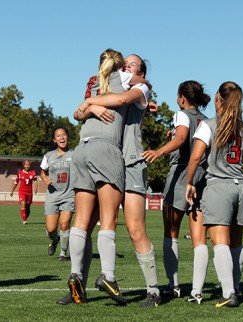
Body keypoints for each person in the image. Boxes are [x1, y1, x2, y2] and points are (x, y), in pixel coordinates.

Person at [70, 54, 160, 307]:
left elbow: (124, 97)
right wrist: (90, 106)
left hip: (130, 161)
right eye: (125, 63)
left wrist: (90, 102)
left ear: (140, 72)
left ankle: (153, 291)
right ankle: (78, 283)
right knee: (86, 226)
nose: (127, 66)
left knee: (134, 229)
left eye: (133, 64)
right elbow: (79, 112)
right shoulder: (111, 85)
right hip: (108, 157)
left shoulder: (138, 88)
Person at [185, 81, 243, 308]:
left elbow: (196, 158)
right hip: (242, 187)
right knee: (236, 243)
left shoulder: (209, 125)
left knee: (220, 242)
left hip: (219, 187)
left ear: (218, 98)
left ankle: (228, 294)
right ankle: (235, 288)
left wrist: (189, 182)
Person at [65, 48, 138, 306]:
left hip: (81, 149)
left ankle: (75, 275)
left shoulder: (92, 81)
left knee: (81, 220)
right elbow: (128, 96)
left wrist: (91, 105)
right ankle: (108, 275)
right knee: (108, 219)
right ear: (121, 65)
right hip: (106, 148)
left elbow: (76, 114)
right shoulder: (127, 77)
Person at [143, 80, 209, 299]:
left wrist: (160, 151)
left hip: (182, 174)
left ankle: (174, 286)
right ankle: (197, 290)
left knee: (171, 232)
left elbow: (182, 138)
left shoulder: (182, 114)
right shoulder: (206, 120)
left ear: (182, 97)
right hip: (203, 176)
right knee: (199, 238)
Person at [40, 127, 74, 261]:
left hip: (69, 195)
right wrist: (45, 178)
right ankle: (55, 240)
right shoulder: (49, 156)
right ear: (55, 140)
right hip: (53, 196)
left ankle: (63, 254)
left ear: (67, 137)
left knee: (64, 224)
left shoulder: (74, 154)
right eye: (58, 136)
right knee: (51, 229)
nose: (61, 138)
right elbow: (42, 171)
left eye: (64, 135)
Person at [10, 160, 38, 224]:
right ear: (23, 165)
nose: (27, 166)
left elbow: (35, 181)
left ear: (30, 165)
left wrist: (36, 188)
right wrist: (12, 191)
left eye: (28, 165)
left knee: (28, 207)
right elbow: (16, 182)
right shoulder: (20, 173)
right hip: (22, 192)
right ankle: (24, 220)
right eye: (26, 165)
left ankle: (25, 216)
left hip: (29, 192)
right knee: (23, 204)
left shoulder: (33, 173)